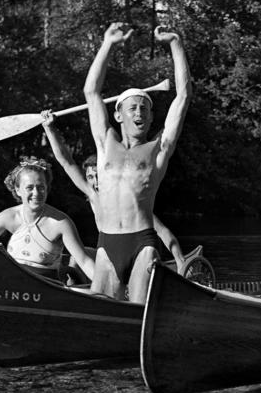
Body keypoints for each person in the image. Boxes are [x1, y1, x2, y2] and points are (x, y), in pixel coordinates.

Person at [83, 23, 191, 302]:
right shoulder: (105, 143)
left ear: (152, 118)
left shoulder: (158, 149)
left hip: (142, 242)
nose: (139, 112)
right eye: (132, 108)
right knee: (102, 314)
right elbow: (91, 92)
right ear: (119, 116)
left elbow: (183, 96)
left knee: (137, 313)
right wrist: (107, 44)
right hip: (107, 244)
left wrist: (175, 43)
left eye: (144, 108)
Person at [40, 113, 186, 273]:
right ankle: (77, 289)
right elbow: (66, 161)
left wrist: (180, 262)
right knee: (75, 258)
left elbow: (163, 231)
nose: (95, 181)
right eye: (90, 177)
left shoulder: (128, 198)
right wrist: (49, 128)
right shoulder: (92, 194)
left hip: (137, 254)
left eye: (98, 175)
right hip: (109, 253)